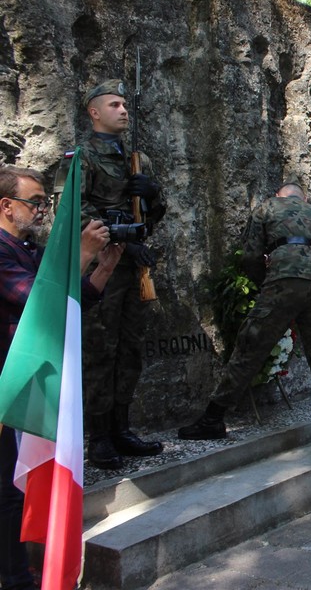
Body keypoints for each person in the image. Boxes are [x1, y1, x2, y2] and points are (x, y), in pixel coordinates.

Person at [0, 166, 122, 590]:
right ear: (6, 205)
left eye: (44, 202)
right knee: (6, 491)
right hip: (9, 386)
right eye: (35, 201)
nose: (41, 210)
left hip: (33, 382)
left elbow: (68, 303)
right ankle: (14, 579)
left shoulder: (27, 248)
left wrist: (102, 268)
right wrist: (81, 254)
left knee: (18, 488)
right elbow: (37, 299)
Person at [178, 184, 311, 456]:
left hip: (283, 279)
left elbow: (251, 255)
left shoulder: (268, 207)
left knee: (250, 347)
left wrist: (264, 284)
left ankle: (213, 418)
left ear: (281, 196)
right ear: (303, 198)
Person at [54, 79, 167, 470]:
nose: (123, 110)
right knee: (100, 351)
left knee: (130, 349)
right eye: (114, 104)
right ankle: (98, 436)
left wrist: (150, 195)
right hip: (101, 266)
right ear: (94, 112)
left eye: (125, 104)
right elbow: (73, 212)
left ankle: (122, 427)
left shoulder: (138, 160)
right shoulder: (79, 157)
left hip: (131, 268)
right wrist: (118, 237)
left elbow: (156, 214)